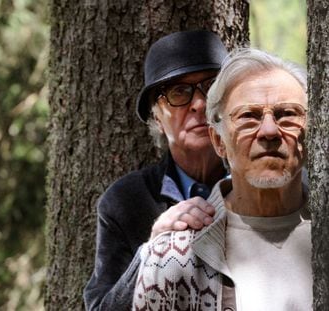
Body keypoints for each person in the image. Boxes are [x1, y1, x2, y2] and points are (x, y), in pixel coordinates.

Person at [132, 48, 312, 311]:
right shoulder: (169, 259)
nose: (270, 131)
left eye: (287, 114)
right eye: (248, 117)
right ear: (219, 141)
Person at [84, 30, 229, 310]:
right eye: (179, 93)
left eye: (211, 87)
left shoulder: (271, 184)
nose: (199, 103)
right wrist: (151, 252)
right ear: (157, 117)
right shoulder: (125, 202)